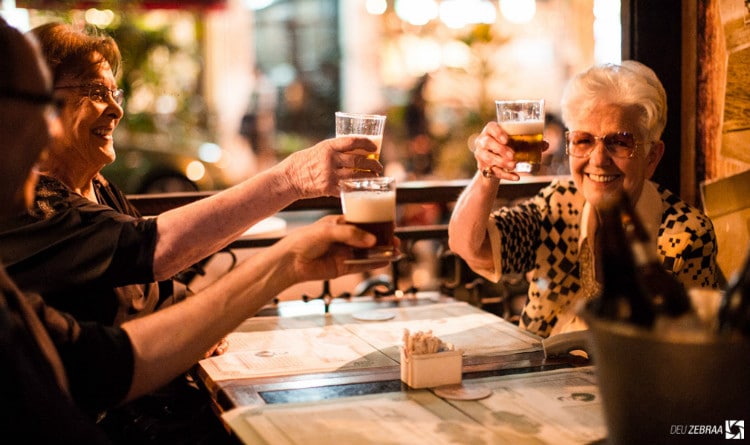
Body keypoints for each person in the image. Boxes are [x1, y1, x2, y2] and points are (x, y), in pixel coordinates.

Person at [0, 18, 388, 443]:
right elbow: (153, 250)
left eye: (115, 93)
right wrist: (292, 182)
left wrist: (200, 324)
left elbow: (149, 302)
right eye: (95, 92)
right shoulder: (36, 212)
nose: (116, 109)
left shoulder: (99, 190)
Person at [448, 61, 720, 338]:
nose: (598, 159)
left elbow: (690, 354)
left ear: (652, 157)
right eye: (584, 141)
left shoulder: (686, 235)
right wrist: (487, 174)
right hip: (539, 376)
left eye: (620, 141)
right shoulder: (559, 204)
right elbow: (468, 247)